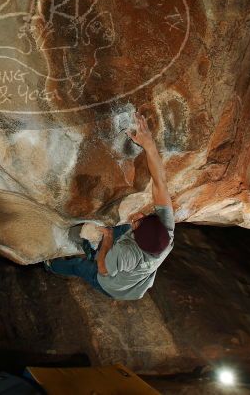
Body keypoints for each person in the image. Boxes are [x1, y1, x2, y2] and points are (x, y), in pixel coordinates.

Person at [45, 111, 175, 300]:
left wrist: (108, 238)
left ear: (136, 241)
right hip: (136, 280)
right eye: (144, 217)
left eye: (137, 223)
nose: (137, 216)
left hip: (113, 286)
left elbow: (103, 269)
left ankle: (50, 266)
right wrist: (149, 145)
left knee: (81, 267)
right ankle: (93, 248)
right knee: (120, 227)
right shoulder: (167, 232)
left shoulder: (128, 253)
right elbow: (160, 182)